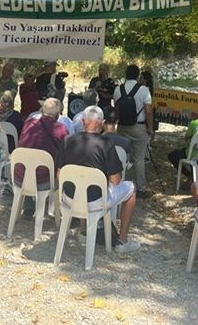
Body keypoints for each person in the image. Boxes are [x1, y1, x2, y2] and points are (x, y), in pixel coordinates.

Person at [57, 106, 140, 253]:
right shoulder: (106, 144)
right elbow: (116, 180)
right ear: (101, 124)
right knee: (131, 189)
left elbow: (59, 175)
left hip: (69, 198)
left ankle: (83, 232)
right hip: (95, 202)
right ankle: (123, 241)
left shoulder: (68, 140)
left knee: (81, 184)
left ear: (83, 121)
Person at [16, 98, 70, 215]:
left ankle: (29, 206)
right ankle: (66, 211)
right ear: (57, 114)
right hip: (45, 180)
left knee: (31, 164)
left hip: (20, 176)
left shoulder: (28, 124)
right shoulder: (61, 129)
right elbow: (66, 154)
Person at [113, 64, 153, 198]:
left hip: (122, 127)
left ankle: (118, 184)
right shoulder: (144, 90)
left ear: (126, 74)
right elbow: (148, 111)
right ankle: (141, 188)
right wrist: (150, 127)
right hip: (139, 127)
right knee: (139, 158)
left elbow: (116, 107)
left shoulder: (118, 89)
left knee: (121, 156)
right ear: (137, 75)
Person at [167, 98, 198, 183]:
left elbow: (187, 138)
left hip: (194, 153)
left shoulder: (195, 123)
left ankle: (190, 175)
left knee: (173, 155)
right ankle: (193, 176)